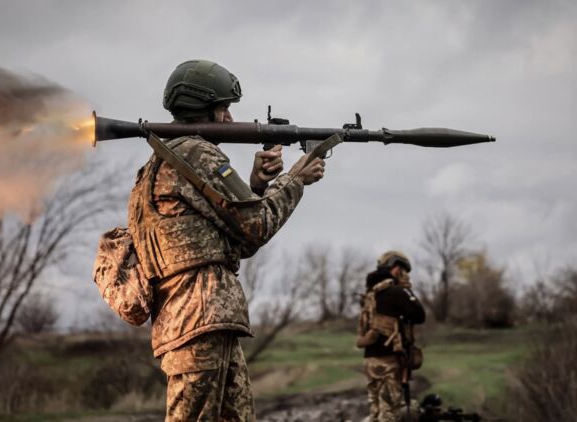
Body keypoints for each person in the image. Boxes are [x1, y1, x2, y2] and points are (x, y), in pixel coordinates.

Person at [128, 59, 326, 421]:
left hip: (200, 320)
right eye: (224, 109)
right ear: (203, 108)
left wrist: (257, 187)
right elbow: (258, 225)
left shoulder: (159, 163)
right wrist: (296, 179)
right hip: (199, 319)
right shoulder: (196, 154)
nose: (231, 119)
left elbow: (240, 241)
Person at [357, 251, 426, 422]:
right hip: (389, 362)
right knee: (389, 414)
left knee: (376, 412)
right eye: (404, 271)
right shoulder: (396, 292)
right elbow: (420, 315)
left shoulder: (370, 294)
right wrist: (407, 289)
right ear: (396, 269)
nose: (405, 275)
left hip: (371, 361)